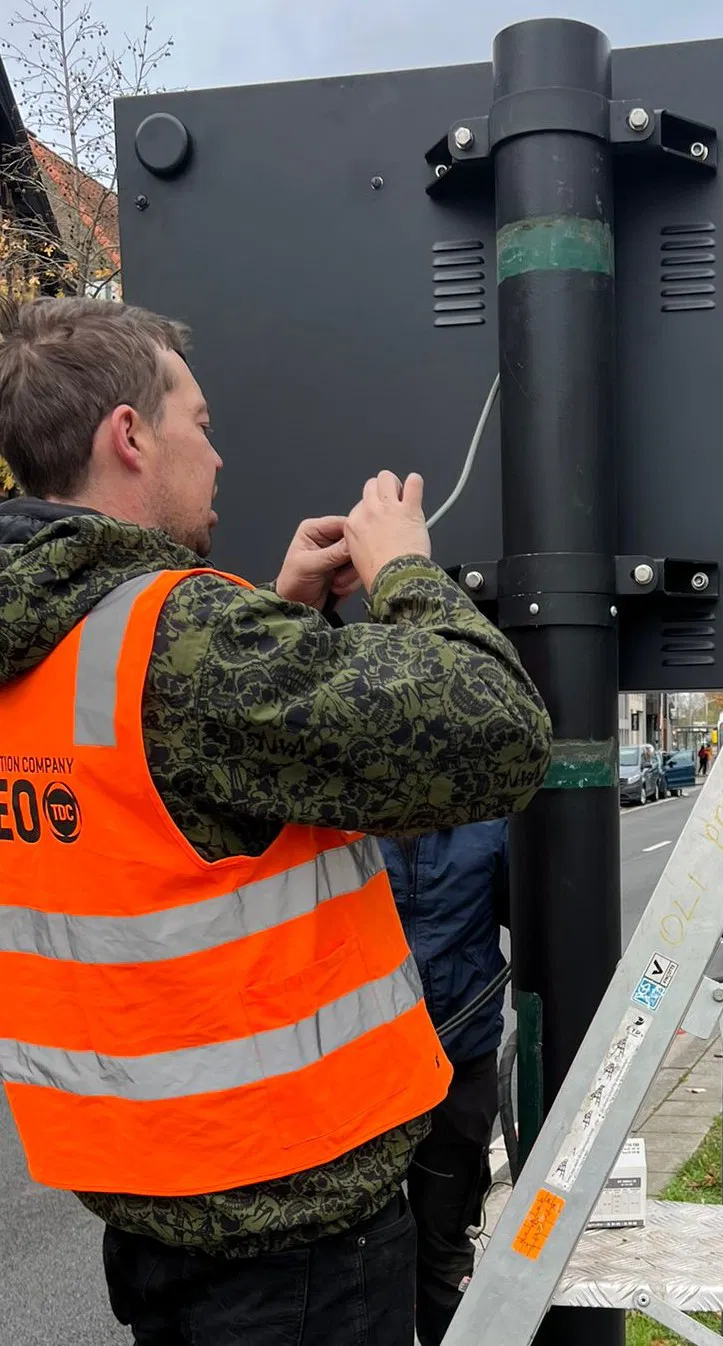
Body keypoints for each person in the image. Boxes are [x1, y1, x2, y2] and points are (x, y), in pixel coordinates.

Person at [0, 297, 552, 1345]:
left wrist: (282, 618)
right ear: (129, 436)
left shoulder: (41, 638)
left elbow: (158, 810)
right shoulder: (184, 644)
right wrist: (405, 570)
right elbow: (500, 731)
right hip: (296, 1245)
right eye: (198, 422)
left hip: (153, 1216)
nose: (217, 454)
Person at [380, 821, 509, 1346]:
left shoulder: (490, 820)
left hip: (459, 1065)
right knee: (363, 1254)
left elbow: (541, 915)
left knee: (443, 1245)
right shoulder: (344, 811)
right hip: (365, 1072)